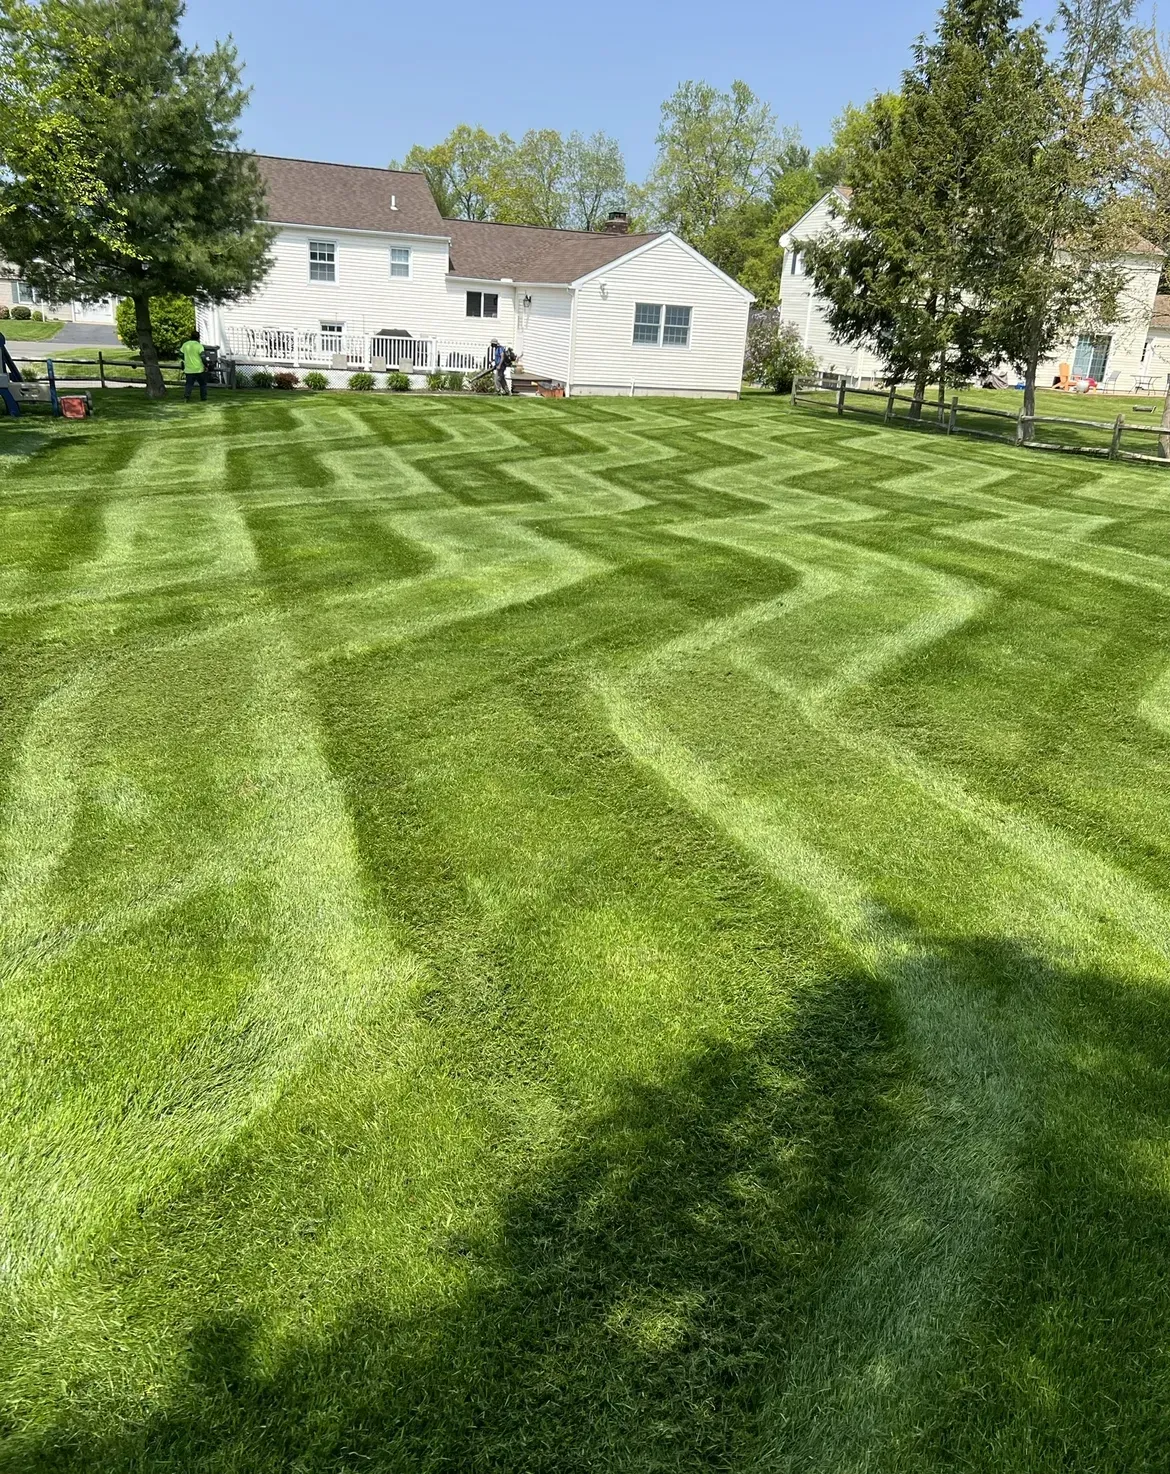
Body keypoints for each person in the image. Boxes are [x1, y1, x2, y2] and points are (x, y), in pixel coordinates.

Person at [180, 329, 208, 402]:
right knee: (202, 384)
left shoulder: (185, 345)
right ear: (198, 337)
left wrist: (185, 358)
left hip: (189, 369)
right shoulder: (199, 346)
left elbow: (180, 354)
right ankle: (203, 398)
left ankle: (186, 397)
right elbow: (203, 357)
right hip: (199, 369)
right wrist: (206, 365)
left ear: (190, 336)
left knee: (189, 384)